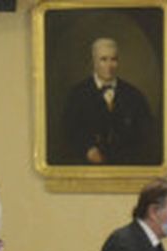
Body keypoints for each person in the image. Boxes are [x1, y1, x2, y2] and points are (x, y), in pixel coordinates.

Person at [57, 37, 157, 166]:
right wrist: (87, 150)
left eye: (113, 60)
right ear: (94, 62)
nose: (109, 65)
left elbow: (146, 137)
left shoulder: (134, 95)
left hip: (125, 168)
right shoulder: (77, 94)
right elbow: (67, 133)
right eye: (103, 59)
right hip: (87, 169)